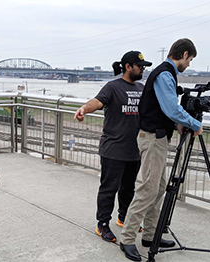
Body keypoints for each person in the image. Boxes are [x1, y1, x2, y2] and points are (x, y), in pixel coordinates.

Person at [120, 38, 203, 261]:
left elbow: (163, 109)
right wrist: (195, 124)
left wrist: (177, 124)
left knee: (158, 188)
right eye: (191, 59)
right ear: (184, 54)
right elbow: (172, 108)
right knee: (147, 190)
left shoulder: (164, 73)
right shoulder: (165, 74)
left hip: (158, 137)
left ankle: (149, 236)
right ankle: (127, 238)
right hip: (153, 139)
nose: (189, 64)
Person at [74, 51, 152, 242]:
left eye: (144, 66)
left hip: (135, 150)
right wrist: (84, 108)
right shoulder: (112, 87)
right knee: (108, 189)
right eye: (139, 66)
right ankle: (102, 224)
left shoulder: (142, 88)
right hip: (113, 150)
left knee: (128, 189)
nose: (143, 69)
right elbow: (97, 101)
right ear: (128, 67)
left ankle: (123, 217)